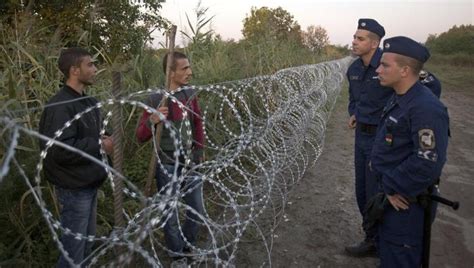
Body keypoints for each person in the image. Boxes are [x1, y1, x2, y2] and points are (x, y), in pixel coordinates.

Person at [371, 36, 449, 267]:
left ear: (405, 70)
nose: (378, 69)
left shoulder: (425, 107)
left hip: (407, 202)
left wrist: (391, 186)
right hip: (394, 194)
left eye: (385, 65)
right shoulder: (401, 98)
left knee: (400, 255)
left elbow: (427, 160)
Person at [39, 47, 113, 267]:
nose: (95, 69)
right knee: (73, 251)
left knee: (86, 245)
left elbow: (87, 136)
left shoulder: (88, 102)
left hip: (89, 182)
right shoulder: (60, 106)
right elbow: (59, 149)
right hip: (74, 188)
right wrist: (101, 144)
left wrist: (103, 139)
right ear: (74, 70)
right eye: (89, 64)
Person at [136, 51, 205, 267]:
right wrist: (153, 120)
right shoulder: (157, 99)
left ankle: (187, 246)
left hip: (189, 161)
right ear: (170, 72)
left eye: (189, 67)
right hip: (166, 164)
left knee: (197, 209)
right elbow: (139, 136)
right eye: (184, 68)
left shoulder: (189, 94)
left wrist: (199, 151)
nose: (189, 72)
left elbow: (198, 124)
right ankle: (177, 256)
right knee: (171, 213)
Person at [345, 18, 393, 257]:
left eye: (359, 38)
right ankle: (371, 238)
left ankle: (384, 242)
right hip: (361, 138)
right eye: (354, 37)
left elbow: (416, 88)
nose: (354, 41)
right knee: (362, 191)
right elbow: (353, 97)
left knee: (379, 192)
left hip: (382, 140)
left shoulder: (388, 65)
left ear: (374, 44)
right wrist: (353, 112)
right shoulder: (353, 68)